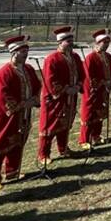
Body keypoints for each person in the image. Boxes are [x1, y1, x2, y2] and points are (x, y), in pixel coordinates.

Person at [0, 34, 41, 190]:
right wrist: (22, 104)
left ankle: (13, 171)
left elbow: (37, 86)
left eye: (27, 51)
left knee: (19, 140)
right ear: (14, 53)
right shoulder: (4, 73)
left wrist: (35, 99)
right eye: (22, 52)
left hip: (24, 114)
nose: (25, 55)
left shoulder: (29, 69)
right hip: (7, 116)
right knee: (1, 143)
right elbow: (3, 95)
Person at [40, 26, 85, 163]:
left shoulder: (75, 57)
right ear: (60, 42)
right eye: (67, 41)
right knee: (51, 126)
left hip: (71, 97)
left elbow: (82, 74)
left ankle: (63, 148)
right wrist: (65, 89)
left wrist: (78, 86)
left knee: (66, 123)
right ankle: (43, 154)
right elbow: (50, 80)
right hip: (56, 99)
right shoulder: (52, 59)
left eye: (72, 40)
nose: (70, 43)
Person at [81, 29, 111, 148]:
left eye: (107, 43)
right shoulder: (90, 57)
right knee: (89, 113)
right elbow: (89, 76)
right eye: (103, 43)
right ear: (97, 43)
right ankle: (85, 139)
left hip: (104, 90)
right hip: (93, 91)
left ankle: (96, 135)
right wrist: (101, 83)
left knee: (101, 112)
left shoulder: (108, 56)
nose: (106, 46)